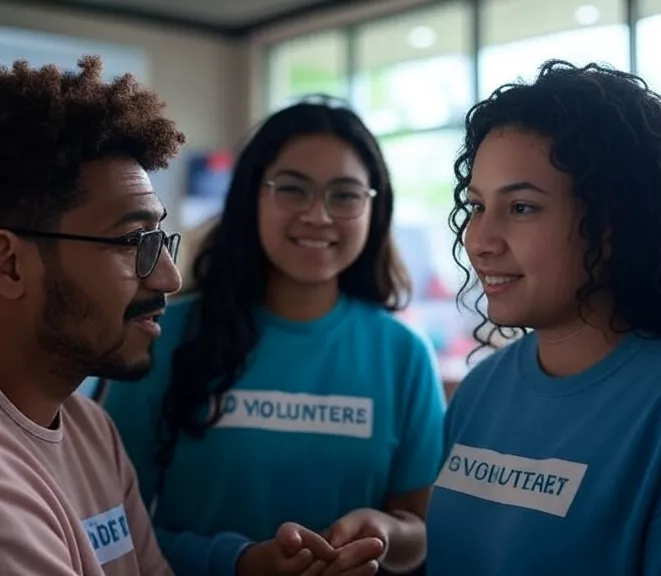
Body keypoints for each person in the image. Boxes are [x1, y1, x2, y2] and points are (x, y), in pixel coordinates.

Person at [426, 60, 661, 575]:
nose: (479, 240)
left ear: (612, 224)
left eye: (521, 207)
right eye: (476, 206)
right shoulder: (484, 388)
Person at [103, 99, 446, 576]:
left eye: (344, 195)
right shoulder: (164, 335)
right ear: (251, 198)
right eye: (292, 189)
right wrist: (237, 562)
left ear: (374, 207)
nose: (318, 215)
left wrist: (382, 534)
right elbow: (105, 523)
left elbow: (424, 532)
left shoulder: (402, 353)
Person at [0, 56, 185, 575]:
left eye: (159, 240)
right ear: (10, 264)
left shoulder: (90, 427)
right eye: (132, 242)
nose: (167, 278)